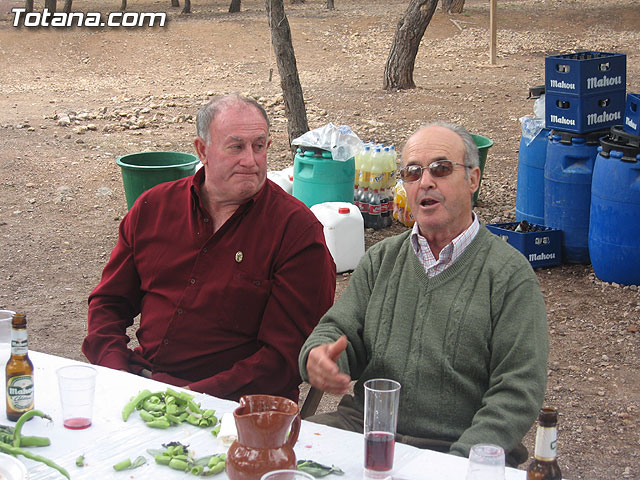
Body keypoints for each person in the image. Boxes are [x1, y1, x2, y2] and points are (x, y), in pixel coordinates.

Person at [299, 122, 548, 466]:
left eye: (441, 169)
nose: (426, 181)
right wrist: (319, 356)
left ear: (473, 180)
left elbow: (518, 392)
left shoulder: (508, 276)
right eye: (413, 173)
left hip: (451, 447)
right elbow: (338, 331)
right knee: (272, 457)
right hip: (363, 432)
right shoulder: (381, 259)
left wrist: (461, 462)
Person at [83, 94, 336, 402]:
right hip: (141, 384)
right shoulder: (154, 207)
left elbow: (285, 356)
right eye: (236, 146)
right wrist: (115, 372)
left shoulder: (296, 232)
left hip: (236, 406)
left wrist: (192, 396)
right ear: (202, 150)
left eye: (259, 146)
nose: (251, 161)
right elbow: (108, 303)